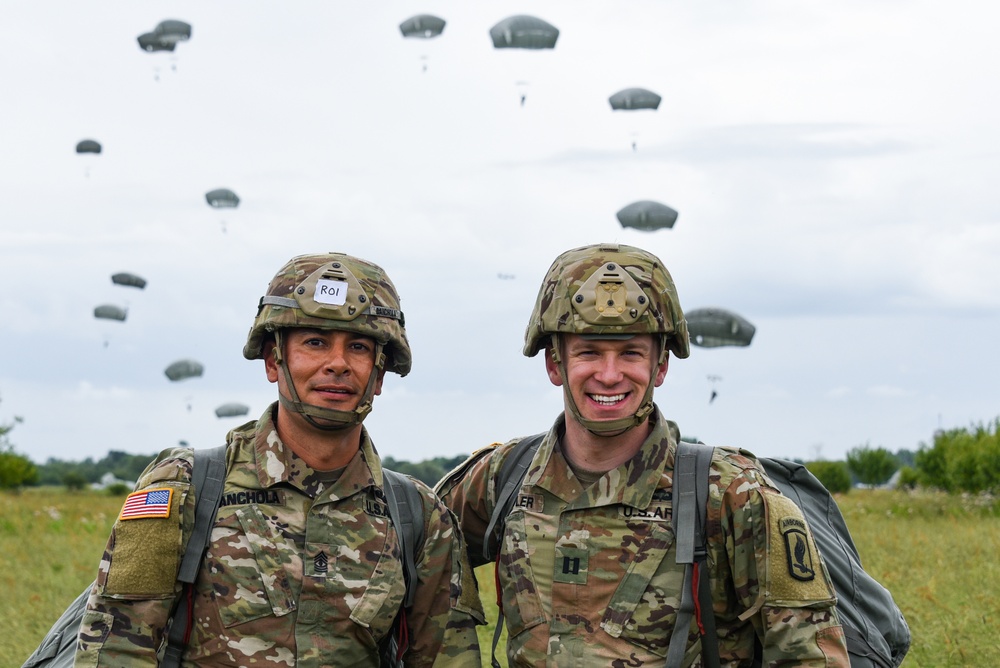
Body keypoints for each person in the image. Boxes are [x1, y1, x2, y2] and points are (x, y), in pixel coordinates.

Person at [436, 243, 850, 667]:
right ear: (555, 364)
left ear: (661, 366)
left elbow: (811, 657)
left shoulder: (731, 495)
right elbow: (405, 567)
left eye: (631, 352)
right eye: (589, 352)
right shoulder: (501, 480)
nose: (610, 374)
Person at [76, 253, 483, 667]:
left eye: (358, 347)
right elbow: (116, 650)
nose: (337, 364)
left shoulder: (419, 516)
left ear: (378, 375)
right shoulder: (186, 486)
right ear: (274, 360)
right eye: (315, 342)